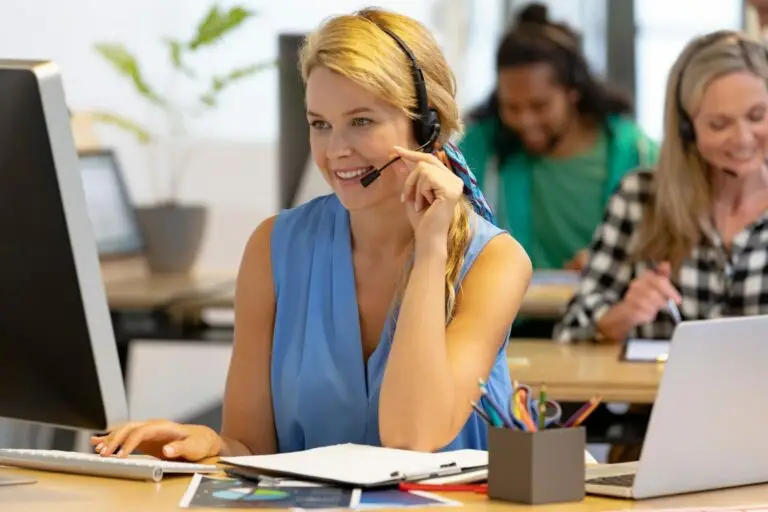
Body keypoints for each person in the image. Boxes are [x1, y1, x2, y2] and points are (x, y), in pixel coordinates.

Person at [90, 8, 532, 461]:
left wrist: (431, 249)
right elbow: (252, 446)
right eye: (320, 123)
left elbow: (413, 435)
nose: (336, 150)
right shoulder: (274, 248)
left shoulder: (495, 262)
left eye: (361, 121)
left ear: (427, 127)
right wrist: (210, 445)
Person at [554, 29, 768, 343]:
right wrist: (622, 314)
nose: (743, 138)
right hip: (656, 393)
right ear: (687, 128)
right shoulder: (640, 197)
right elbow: (570, 327)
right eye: (719, 124)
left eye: (757, 116)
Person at [459, 3, 658, 273]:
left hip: (614, 310)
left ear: (573, 92)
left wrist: (613, 261)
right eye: (512, 107)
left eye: (539, 106)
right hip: (512, 314)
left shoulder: (640, 154)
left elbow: (673, 241)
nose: (525, 121)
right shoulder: (478, 152)